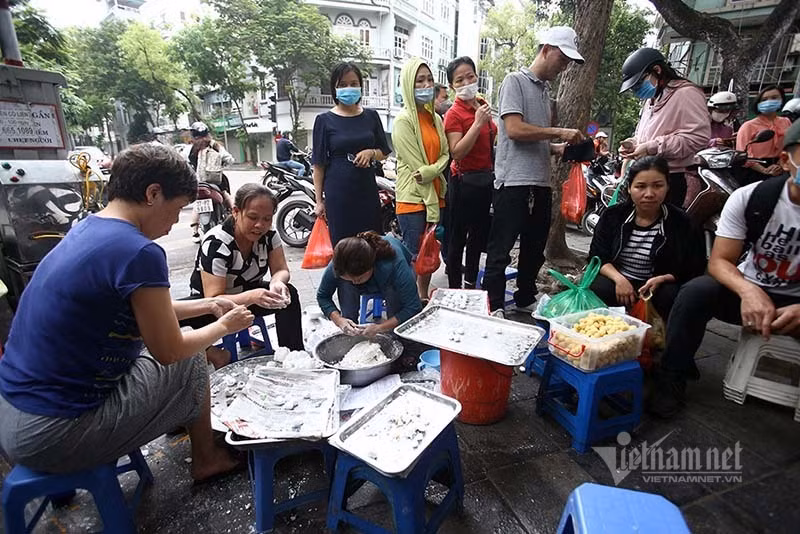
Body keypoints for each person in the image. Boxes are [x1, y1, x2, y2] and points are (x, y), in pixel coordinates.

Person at [0, 144, 252, 480]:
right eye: (177, 209)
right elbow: (170, 350)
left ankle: (184, 418)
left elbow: (143, 309)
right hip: (52, 434)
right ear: (153, 193)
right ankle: (206, 457)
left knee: (167, 346)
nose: (174, 222)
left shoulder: (89, 227)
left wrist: (208, 305)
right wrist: (223, 325)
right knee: (189, 354)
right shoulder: (138, 251)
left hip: (15, 415)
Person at [649, 120, 800, 418]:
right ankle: (672, 376)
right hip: (748, 294)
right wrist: (749, 291)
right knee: (695, 292)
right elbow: (719, 261)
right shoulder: (751, 199)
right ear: (785, 160)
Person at [483, 26, 585, 316]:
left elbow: (535, 139)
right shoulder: (514, 81)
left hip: (540, 182)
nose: (563, 67)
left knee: (534, 247)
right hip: (512, 181)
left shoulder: (545, 91)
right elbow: (514, 130)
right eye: (562, 59)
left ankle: (526, 294)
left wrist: (557, 148)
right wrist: (557, 131)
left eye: (567, 62)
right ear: (546, 49)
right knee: (501, 248)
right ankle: (494, 304)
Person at [312, 62, 391, 321]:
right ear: (334, 88)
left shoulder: (371, 116)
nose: (349, 88)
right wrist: (318, 201)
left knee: (374, 249)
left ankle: (382, 309)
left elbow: (384, 150)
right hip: (339, 196)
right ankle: (349, 316)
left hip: (367, 194)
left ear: (361, 86)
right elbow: (319, 164)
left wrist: (372, 153)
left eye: (353, 83)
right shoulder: (324, 120)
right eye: (343, 84)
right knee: (344, 255)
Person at [183, 183, 304, 351]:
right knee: (170, 315)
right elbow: (214, 297)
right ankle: (210, 353)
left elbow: (280, 270)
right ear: (236, 212)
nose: (260, 225)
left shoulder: (269, 235)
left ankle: (293, 354)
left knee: (288, 295)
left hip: (248, 297)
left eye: (267, 219)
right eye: (253, 217)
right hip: (210, 307)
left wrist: (277, 283)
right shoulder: (217, 242)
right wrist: (252, 296)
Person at [588, 156, 706, 321]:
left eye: (657, 186)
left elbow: (694, 266)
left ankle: (659, 334)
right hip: (619, 281)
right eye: (640, 186)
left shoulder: (682, 222)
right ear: (629, 188)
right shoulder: (613, 216)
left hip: (656, 285)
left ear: (667, 187)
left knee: (671, 294)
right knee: (599, 286)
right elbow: (597, 256)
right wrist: (619, 279)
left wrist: (663, 278)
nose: (649, 194)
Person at [618, 48, 710, 207]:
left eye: (639, 83)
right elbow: (646, 136)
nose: (636, 90)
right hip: (642, 174)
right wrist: (634, 144)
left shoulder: (686, 93)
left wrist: (651, 147)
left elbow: (698, 138)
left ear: (657, 70)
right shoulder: (651, 100)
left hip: (667, 179)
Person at [394, 57, 451, 302]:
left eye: (429, 80)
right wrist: (431, 170)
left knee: (429, 253)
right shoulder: (403, 121)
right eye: (420, 81)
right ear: (408, 85)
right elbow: (417, 168)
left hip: (435, 195)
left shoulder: (436, 119)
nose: (426, 85)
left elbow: (446, 155)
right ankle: (406, 303)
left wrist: (432, 170)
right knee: (413, 254)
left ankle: (422, 295)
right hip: (413, 199)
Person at [443, 56, 497, 290]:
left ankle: (471, 283)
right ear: (453, 86)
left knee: (477, 237)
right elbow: (457, 152)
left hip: (485, 181)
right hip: (463, 183)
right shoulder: (453, 114)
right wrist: (476, 123)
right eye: (459, 80)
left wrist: (482, 116)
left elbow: (492, 136)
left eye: (470, 76)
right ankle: (455, 287)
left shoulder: (481, 103)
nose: (467, 82)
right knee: (457, 239)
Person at [317, 231, 422, 338]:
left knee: (394, 300)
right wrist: (338, 320)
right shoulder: (339, 264)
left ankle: (395, 336)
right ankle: (350, 329)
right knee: (346, 286)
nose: (354, 283)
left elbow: (413, 307)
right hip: (370, 275)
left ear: (371, 267)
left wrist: (380, 327)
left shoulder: (394, 264)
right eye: (350, 279)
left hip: (392, 279)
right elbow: (322, 296)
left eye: (358, 279)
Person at [188, 121, 235, 243]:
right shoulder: (215, 145)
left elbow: (186, 165)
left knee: (196, 204)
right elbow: (229, 159)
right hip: (216, 182)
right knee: (226, 194)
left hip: (198, 183)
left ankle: (195, 232)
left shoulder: (190, 150)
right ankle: (236, 216)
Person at [736, 85, 792, 184]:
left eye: (774, 98)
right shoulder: (748, 126)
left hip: (781, 167)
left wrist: (780, 164)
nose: (769, 101)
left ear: (782, 100)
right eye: (764, 99)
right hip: (755, 170)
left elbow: (790, 145)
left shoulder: (786, 122)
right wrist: (764, 170)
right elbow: (743, 154)